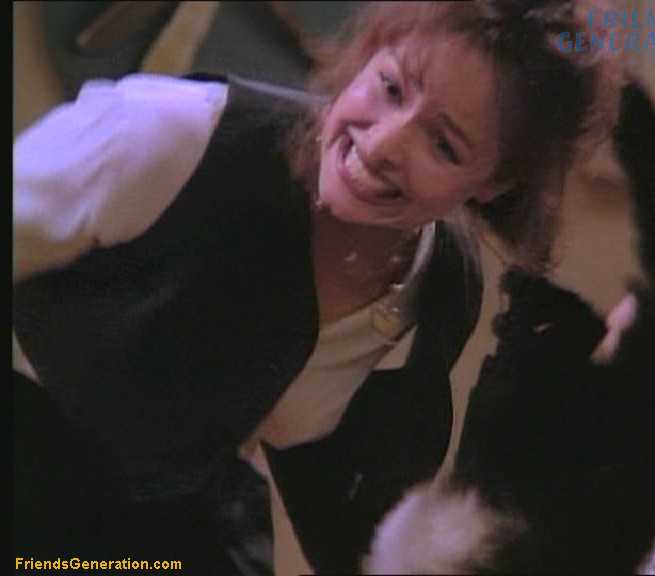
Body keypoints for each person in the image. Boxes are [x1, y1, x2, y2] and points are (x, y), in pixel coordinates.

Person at [13, 1, 621, 574]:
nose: (382, 144)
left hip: (169, 521)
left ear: (495, 182)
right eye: (391, 88)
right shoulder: (171, 132)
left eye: (443, 145)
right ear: (368, 53)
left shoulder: (437, 288)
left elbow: (356, 524)